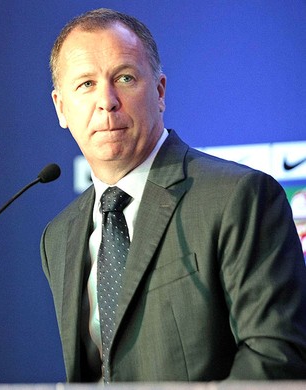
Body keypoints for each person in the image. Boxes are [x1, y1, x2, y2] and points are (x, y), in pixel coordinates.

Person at [40, 8, 306, 382]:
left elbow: (276, 356)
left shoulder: (239, 198)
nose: (107, 100)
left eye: (125, 77)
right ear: (60, 107)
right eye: (85, 84)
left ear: (160, 91)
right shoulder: (60, 235)